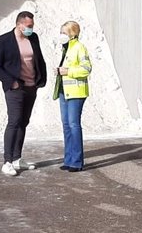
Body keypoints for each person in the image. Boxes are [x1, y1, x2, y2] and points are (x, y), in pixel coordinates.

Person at [0, 11, 47, 176]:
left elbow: (39, 59)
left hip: (31, 87)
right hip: (15, 88)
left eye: (32, 26)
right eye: (28, 26)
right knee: (14, 122)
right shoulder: (4, 40)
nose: (31, 29)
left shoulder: (33, 38)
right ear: (19, 24)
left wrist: (40, 80)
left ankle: (17, 158)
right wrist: (11, 82)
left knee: (23, 122)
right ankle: (7, 161)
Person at [53, 21, 92, 172]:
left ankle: (76, 161)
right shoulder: (66, 48)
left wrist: (67, 71)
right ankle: (68, 159)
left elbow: (86, 69)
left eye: (64, 32)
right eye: (61, 32)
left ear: (73, 33)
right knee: (66, 126)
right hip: (64, 91)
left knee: (74, 125)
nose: (62, 35)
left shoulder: (79, 47)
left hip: (76, 92)